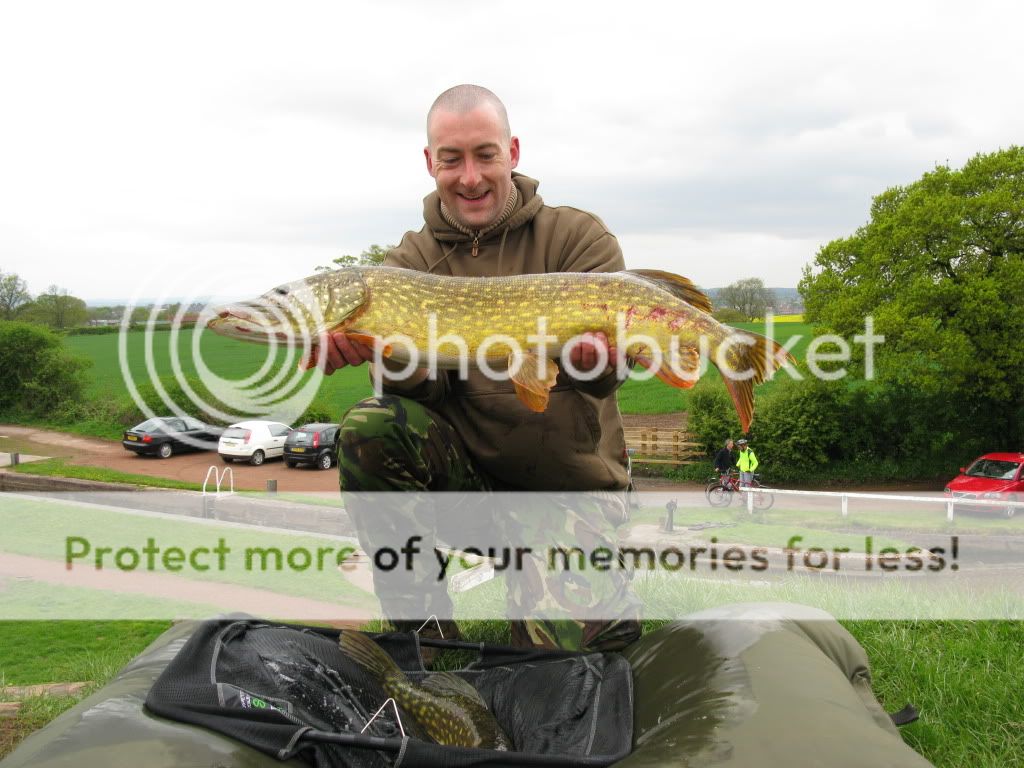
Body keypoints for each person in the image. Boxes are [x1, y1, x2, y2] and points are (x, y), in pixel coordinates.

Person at [311, 84, 639, 653]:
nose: (470, 177)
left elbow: (607, 374)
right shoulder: (407, 266)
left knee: (561, 666)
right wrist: (378, 347)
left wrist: (596, 362)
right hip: (472, 497)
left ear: (512, 152)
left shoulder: (578, 239)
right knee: (372, 425)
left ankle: (573, 590)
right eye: (452, 159)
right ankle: (425, 640)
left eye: (485, 155)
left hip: (569, 492)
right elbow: (421, 393)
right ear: (429, 163)